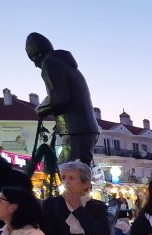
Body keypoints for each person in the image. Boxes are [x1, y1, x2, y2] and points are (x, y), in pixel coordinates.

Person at [25, 32, 102, 165]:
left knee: (69, 173)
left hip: (75, 129)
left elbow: (60, 99)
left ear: (38, 54)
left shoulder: (49, 63)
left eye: (34, 60)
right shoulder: (67, 65)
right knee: (75, 171)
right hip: (85, 128)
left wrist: (40, 109)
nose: (36, 65)